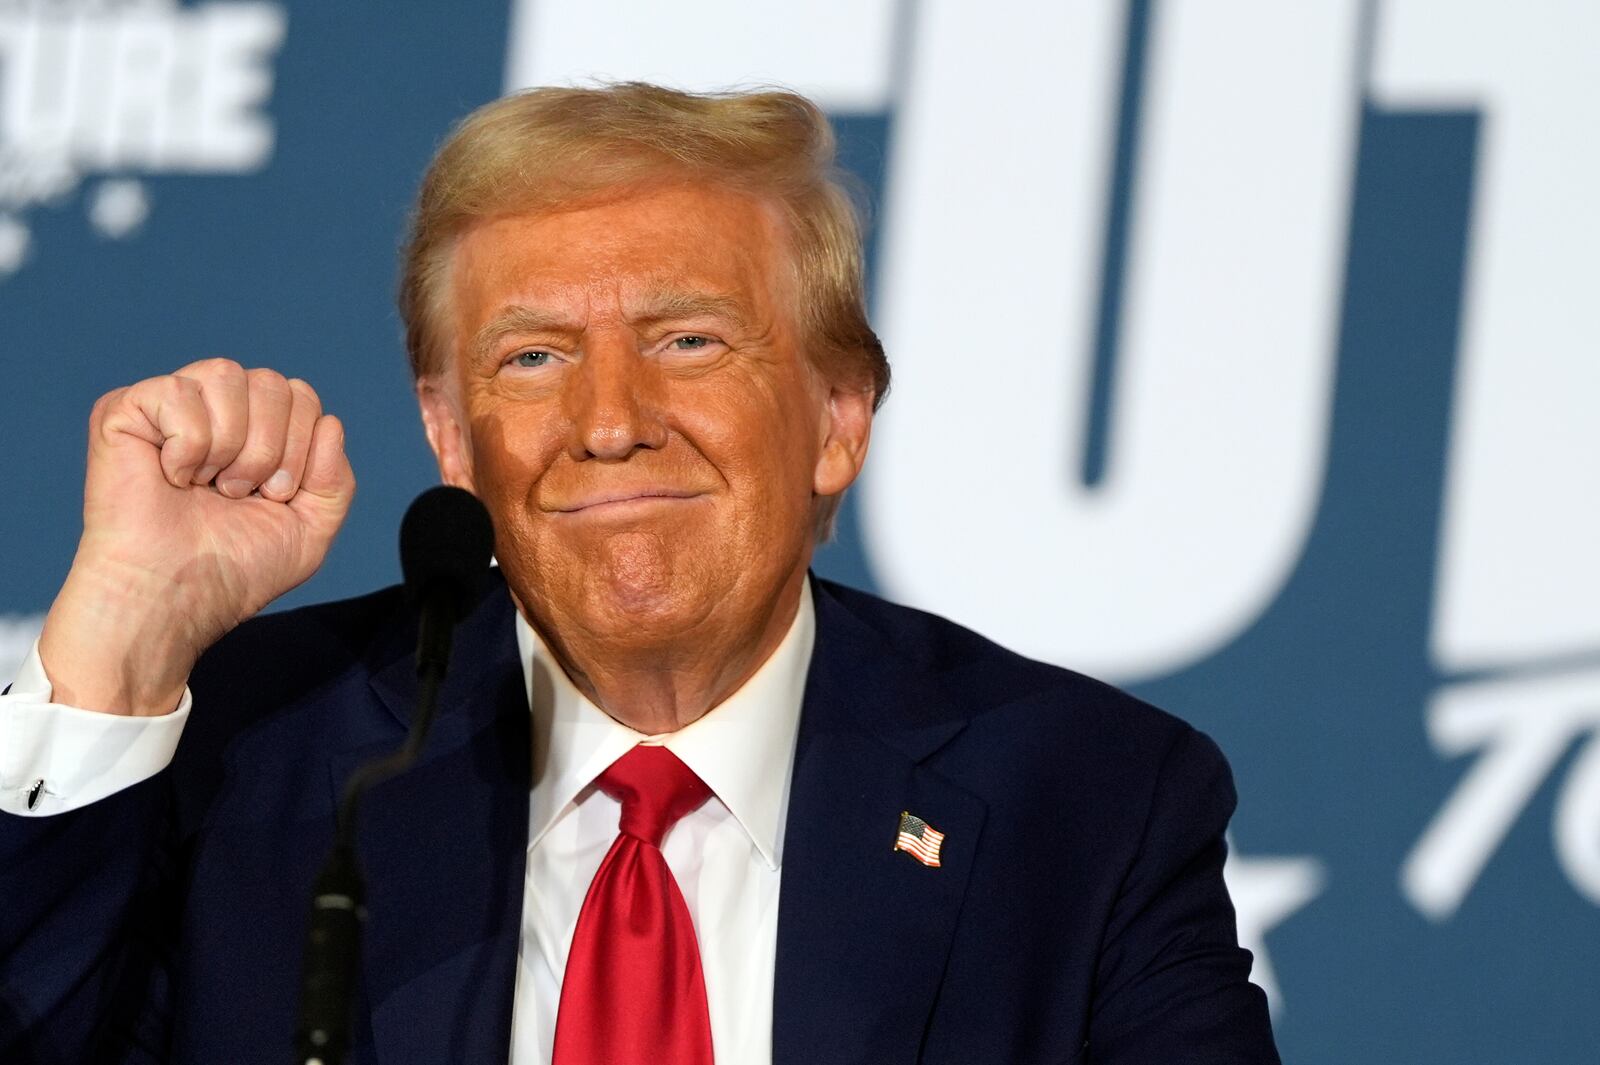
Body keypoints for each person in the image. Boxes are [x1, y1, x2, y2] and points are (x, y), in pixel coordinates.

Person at [0, 83, 1279, 1064]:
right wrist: (119, 642)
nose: (611, 419)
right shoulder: (251, 757)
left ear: (838, 414)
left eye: (687, 338)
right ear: (451, 436)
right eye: (533, 359)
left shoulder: (1088, 799)